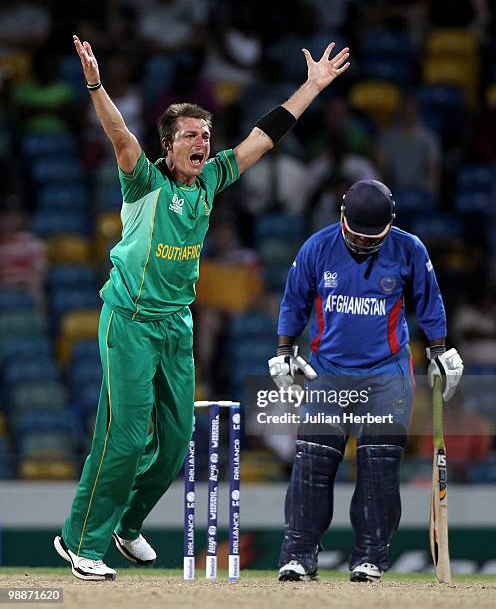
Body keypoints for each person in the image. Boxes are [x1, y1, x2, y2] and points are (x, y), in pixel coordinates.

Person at [53, 34, 350, 581]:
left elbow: (264, 138)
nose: (202, 143)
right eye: (190, 135)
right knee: (122, 434)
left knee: (173, 444)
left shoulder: (211, 179)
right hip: (130, 322)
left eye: (206, 136)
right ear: (167, 145)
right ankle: (80, 543)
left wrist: (310, 87)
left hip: (177, 323)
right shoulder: (142, 180)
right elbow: (119, 134)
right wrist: (95, 83)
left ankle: (127, 523)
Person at [268, 179, 464, 582]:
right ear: (342, 217)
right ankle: (299, 555)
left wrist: (440, 351)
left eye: (372, 237)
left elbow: (430, 302)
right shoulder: (317, 247)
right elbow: (294, 301)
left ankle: (369, 558)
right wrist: (285, 353)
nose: (363, 244)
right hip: (328, 373)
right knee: (311, 463)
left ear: (390, 224)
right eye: (356, 236)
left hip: (386, 374)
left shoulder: (410, 249)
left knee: (379, 467)